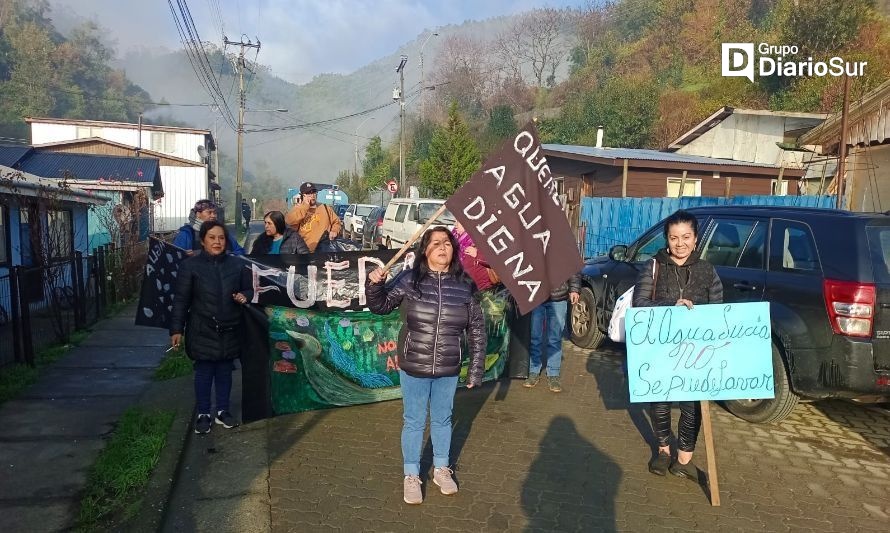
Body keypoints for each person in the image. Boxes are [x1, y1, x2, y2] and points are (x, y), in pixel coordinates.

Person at [365, 227, 486, 505]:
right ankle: (411, 475)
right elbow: (381, 305)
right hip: (414, 366)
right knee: (415, 421)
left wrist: (476, 367)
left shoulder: (465, 284)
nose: (443, 247)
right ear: (425, 250)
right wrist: (374, 285)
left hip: (448, 368)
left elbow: (477, 329)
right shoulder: (409, 280)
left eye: (447, 243)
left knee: (443, 419)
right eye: (436, 243)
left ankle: (442, 469)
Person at [632, 209, 722, 480]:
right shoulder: (654, 266)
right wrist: (671, 305)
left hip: (696, 352)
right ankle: (663, 452)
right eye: (673, 237)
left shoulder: (707, 271)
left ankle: (684, 459)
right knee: (659, 401)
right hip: (660, 348)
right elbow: (640, 304)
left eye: (686, 237)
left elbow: (718, 309)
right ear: (666, 239)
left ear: (696, 239)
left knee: (691, 404)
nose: (679, 243)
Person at [169, 220, 252, 434]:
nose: (217, 242)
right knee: (204, 372)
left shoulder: (237, 265)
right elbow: (181, 300)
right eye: (212, 238)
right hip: (201, 329)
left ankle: (223, 411)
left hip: (230, 328)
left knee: (225, 372)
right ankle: (203, 413)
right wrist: (176, 329)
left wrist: (246, 296)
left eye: (221, 238)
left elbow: (250, 290)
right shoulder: (190, 266)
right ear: (203, 241)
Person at [523, 272, 581, 393]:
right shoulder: (534, 251)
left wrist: (574, 289)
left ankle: (553, 373)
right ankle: (534, 371)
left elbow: (572, 264)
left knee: (555, 338)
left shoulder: (563, 251)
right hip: (536, 295)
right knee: (535, 336)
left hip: (559, 296)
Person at [285, 182, 343, 252]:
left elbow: (337, 222)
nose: (312, 195)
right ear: (302, 196)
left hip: (324, 251)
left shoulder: (325, 208)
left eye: (314, 192)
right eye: (308, 193)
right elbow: (290, 221)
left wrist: (334, 230)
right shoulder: (297, 209)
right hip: (304, 252)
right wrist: (305, 206)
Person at [173, 199, 245, 256]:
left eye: (215, 212)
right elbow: (176, 256)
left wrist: (228, 257)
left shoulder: (223, 232)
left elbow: (240, 251)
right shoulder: (186, 234)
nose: (213, 216)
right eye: (209, 212)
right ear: (198, 214)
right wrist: (186, 256)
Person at [452, 221, 496, 291]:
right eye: (454, 221)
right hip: (464, 289)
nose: (455, 224)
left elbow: (496, 259)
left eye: (459, 221)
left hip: (485, 288)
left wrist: (478, 254)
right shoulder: (453, 241)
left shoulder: (479, 237)